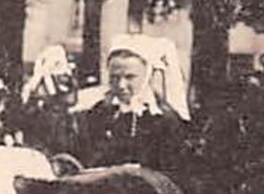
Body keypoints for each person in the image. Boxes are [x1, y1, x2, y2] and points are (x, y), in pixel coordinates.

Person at [75, 37, 188, 179]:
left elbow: (173, 174)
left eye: (130, 77)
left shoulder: (164, 120)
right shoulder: (98, 113)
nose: (121, 85)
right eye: (114, 77)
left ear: (146, 76)